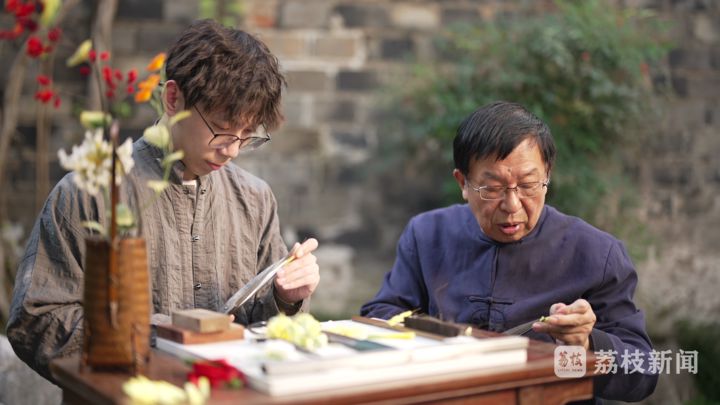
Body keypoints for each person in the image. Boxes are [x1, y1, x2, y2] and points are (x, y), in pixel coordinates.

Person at [7, 19, 320, 380]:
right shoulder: (91, 192)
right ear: (173, 99)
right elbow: (36, 321)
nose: (232, 150)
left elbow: (266, 335)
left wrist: (286, 298)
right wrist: (153, 338)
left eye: (247, 134)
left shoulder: (255, 198)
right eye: (222, 128)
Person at [361, 101, 657, 402]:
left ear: (547, 176)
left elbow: (643, 372)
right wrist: (436, 339)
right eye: (492, 189)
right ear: (463, 183)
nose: (512, 205)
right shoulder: (427, 235)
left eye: (528, 185)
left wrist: (585, 344)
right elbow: (380, 317)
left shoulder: (596, 254)